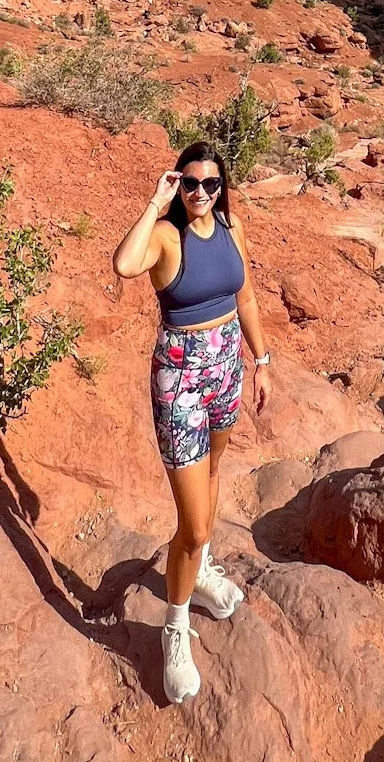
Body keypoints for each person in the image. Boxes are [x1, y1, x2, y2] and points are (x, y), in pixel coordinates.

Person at [112, 140, 273, 704]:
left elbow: (246, 298)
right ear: (177, 185)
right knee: (197, 523)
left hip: (228, 365)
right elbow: (125, 265)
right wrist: (154, 204)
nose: (201, 192)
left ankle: (199, 571)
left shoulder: (232, 228)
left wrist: (262, 360)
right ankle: (174, 630)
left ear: (222, 186)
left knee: (213, 473)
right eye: (190, 183)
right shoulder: (165, 236)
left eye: (211, 183)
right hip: (179, 377)